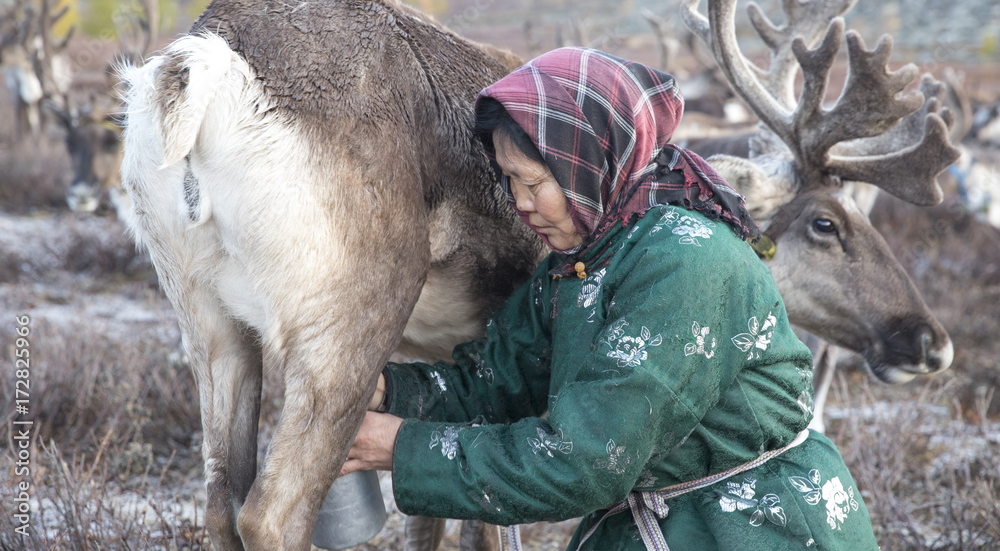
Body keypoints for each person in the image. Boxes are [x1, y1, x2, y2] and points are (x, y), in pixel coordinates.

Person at [341, 47, 880, 550]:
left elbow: (585, 462)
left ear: (587, 166)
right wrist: (385, 390)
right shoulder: (580, 262)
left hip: (754, 530)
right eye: (509, 180)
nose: (520, 204)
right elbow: (495, 382)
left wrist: (399, 447)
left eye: (534, 182)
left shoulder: (685, 263)